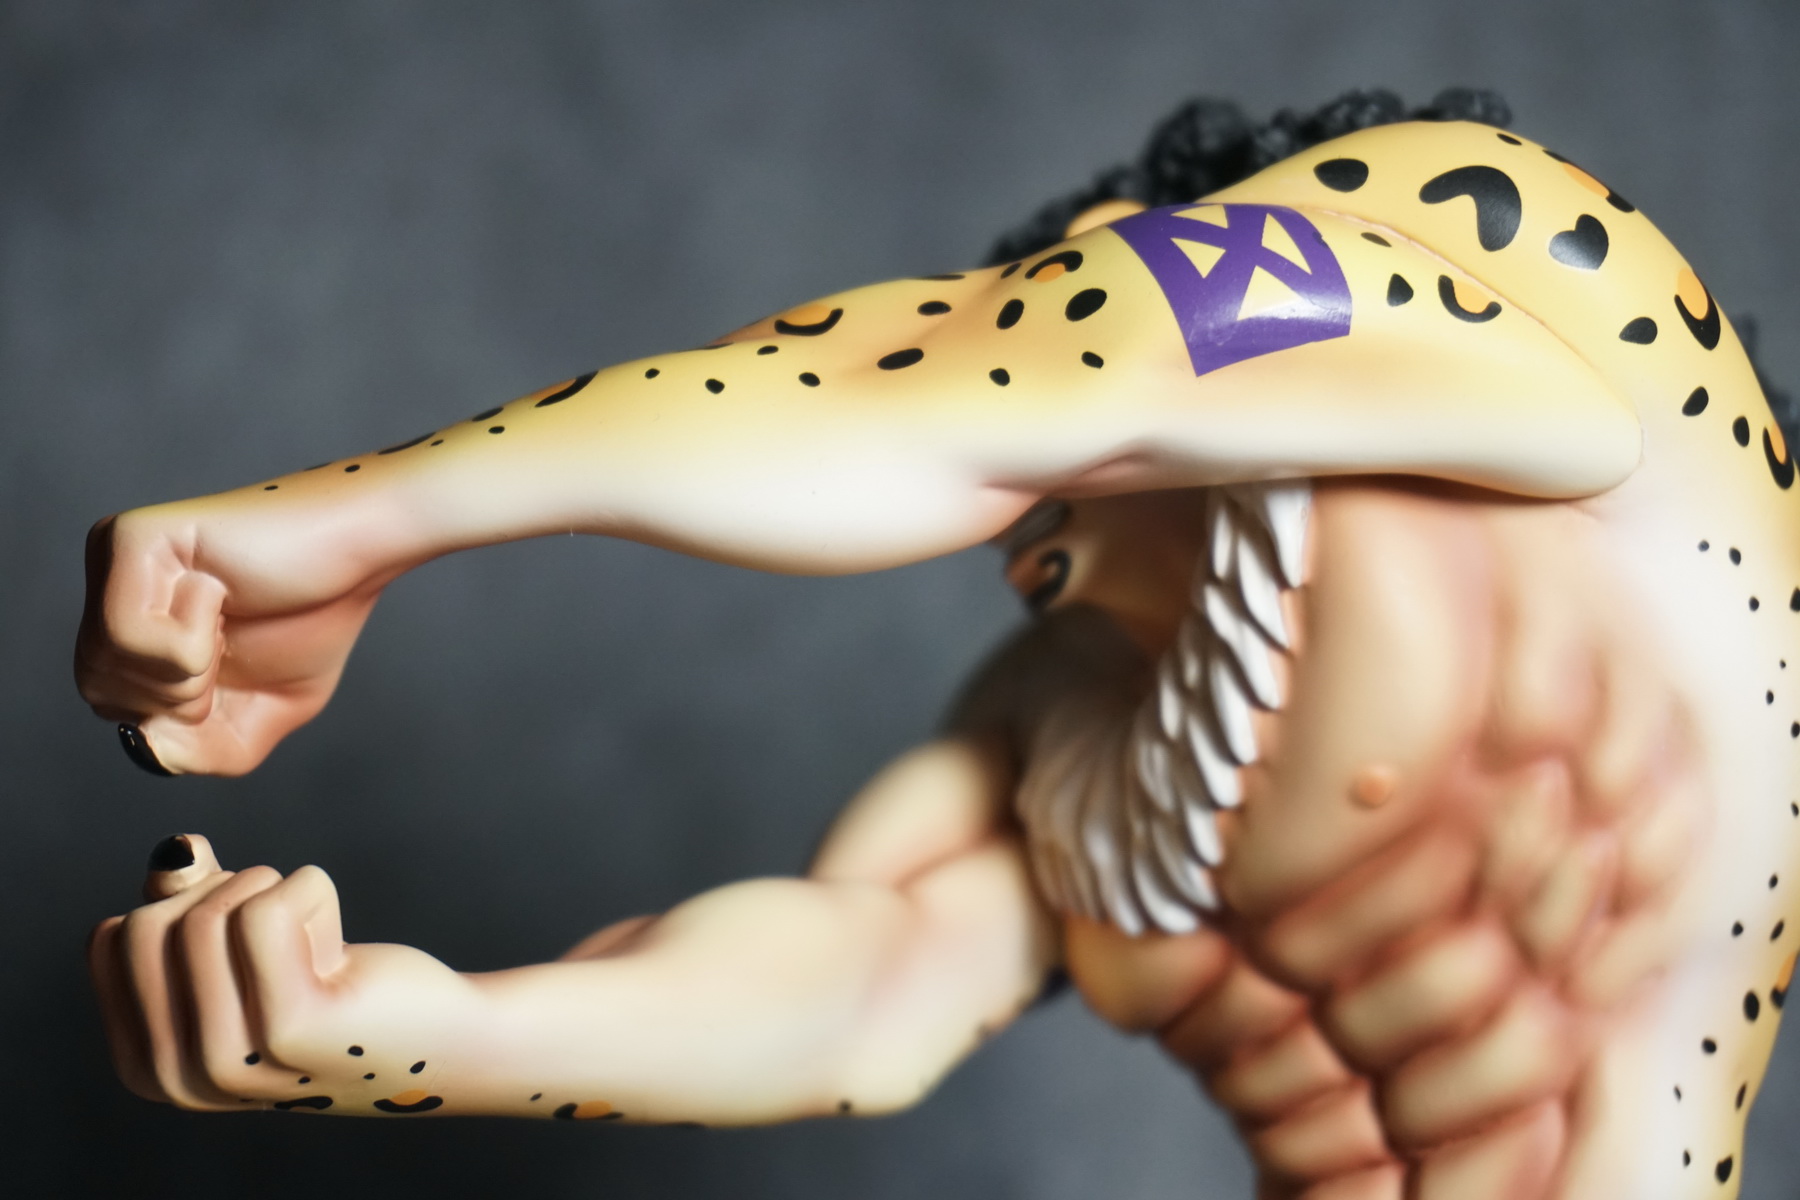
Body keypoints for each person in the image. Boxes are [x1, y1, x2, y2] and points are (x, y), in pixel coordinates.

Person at [76, 90, 1800, 1198]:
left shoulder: (1544, 303)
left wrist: (361, 521)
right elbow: (865, 985)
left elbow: (999, 375)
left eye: (1062, 497)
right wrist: (426, 1038)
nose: (1029, 558)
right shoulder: (1067, 726)